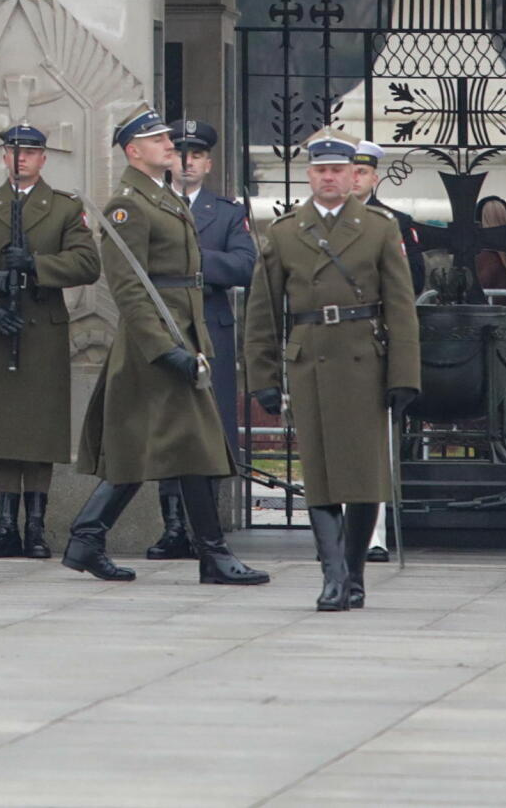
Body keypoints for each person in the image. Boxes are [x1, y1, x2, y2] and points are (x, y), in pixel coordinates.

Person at [61, 110, 266, 586]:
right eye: (157, 140)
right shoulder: (128, 205)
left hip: (181, 331)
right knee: (187, 444)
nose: (169, 144)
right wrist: (164, 347)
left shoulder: (161, 197)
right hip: (155, 342)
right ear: (134, 151)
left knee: (158, 446)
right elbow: (129, 288)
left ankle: (87, 538)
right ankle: (211, 555)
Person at [242, 130, 420, 613]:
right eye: (321, 170)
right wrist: (263, 377)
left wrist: (404, 374)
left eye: (338, 170)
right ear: (310, 175)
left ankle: (354, 571)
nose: (329, 177)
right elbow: (262, 314)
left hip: (364, 359)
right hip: (310, 359)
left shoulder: (379, 228)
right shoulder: (283, 232)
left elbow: (401, 309)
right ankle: (333, 574)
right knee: (319, 475)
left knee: (364, 478)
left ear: (352, 175)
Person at [0, 122, 102, 561]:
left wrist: (35, 264)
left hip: (41, 329)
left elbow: (88, 263)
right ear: (3, 157)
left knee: (40, 432)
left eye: (30, 152)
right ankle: (5, 525)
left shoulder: (65, 209)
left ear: (43, 158)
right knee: (2, 431)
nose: (21, 159)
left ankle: (36, 527)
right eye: (13, 151)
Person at [147, 122, 252, 561]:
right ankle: (172, 526)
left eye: (197, 154)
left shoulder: (227, 213)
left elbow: (245, 267)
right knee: (169, 427)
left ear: (208, 163)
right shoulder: (151, 207)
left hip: (211, 328)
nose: (188, 161)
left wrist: (193, 262)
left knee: (210, 428)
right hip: (167, 326)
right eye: (181, 153)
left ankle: (204, 526)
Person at [348, 138, 428, 296]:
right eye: (349, 172)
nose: (355, 178)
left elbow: (415, 280)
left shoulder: (397, 221)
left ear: (374, 179)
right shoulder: (325, 219)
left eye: (362, 172)